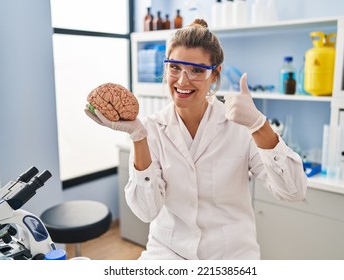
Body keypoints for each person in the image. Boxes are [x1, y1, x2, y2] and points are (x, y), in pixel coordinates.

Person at [85, 19, 307, 260]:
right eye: (175, 68)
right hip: (168, 253)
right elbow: (146, 211)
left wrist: (258, 125)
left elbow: (293, 192)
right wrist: (138, 137)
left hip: (230, 255)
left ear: (215, 74)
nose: (182, 81)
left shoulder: (240, 125)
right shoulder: (151, 129)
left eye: (197, 71)